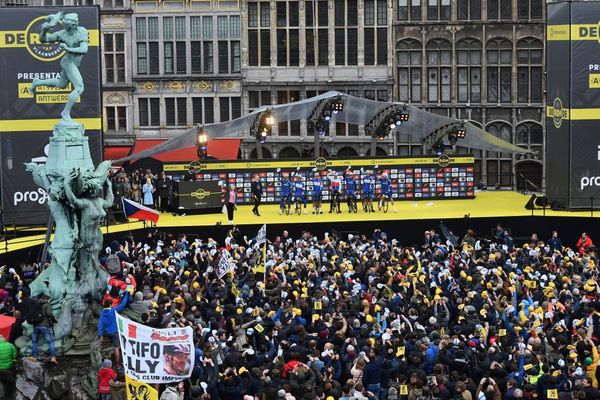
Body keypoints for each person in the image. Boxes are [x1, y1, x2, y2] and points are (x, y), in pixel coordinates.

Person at [98, 292, 129, 367]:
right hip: (115, 333)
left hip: (106, 333)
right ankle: (118, 363)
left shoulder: (102, 313)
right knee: (116, 348)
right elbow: (122, 304)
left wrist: (100, 335)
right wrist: (127, 294)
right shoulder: (113, 311)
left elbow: (100, 324)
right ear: (110, 305)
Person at [28, 293, 57, 364]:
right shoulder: (47, 305)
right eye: (49, 299)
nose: (49, 301)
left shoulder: (35, 304)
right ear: (46, 299)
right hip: (44, 326)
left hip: (36, 325)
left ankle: (34, 357)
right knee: (50, 342)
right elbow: (49, 314)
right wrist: (54, 320)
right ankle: (53, 357)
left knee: (34, 342)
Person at [0, 334, 16, 399]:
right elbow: (14, 355)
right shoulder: (10, 345)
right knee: (8, 380)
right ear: (3, 338)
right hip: (9, 367)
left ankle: (2, 395)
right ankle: (10, 394)